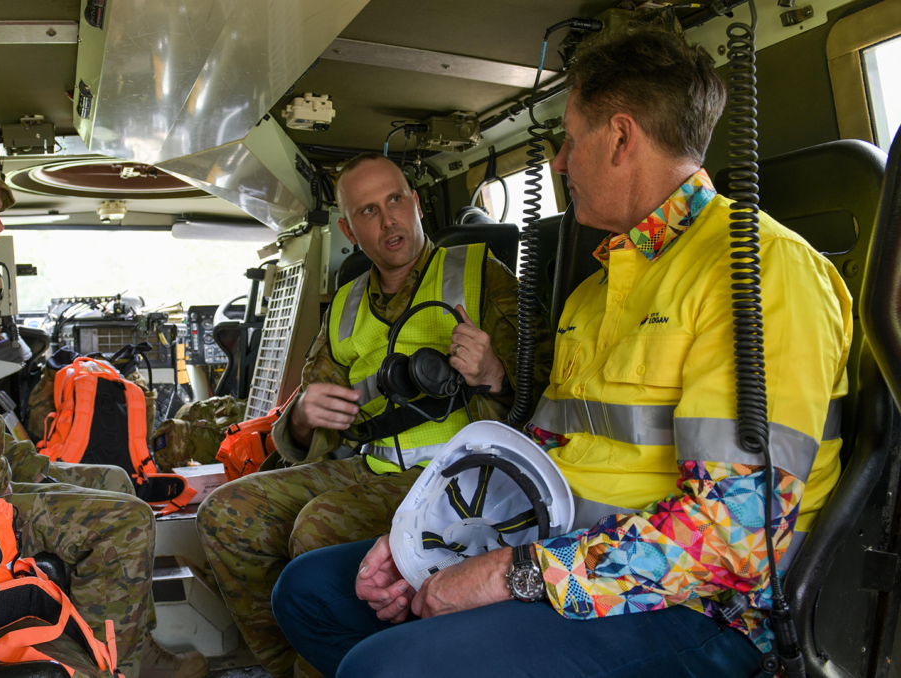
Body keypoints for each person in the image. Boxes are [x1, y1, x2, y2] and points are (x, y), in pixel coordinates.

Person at [270, 24, 852, 678]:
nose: (557, 163)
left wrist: (510, 575)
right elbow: (537, 462)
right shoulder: (593, 295)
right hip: (559, 552)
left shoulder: (759, 272)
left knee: (380, 669)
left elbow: (732, 542)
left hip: (696, 609)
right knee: (310, 593)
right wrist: (427, 544)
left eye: (570, 141)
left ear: (622, 137)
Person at [196, 152, 553, 677]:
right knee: (225, 514)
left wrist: (494, 374)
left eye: (395, 200)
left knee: (315, 529)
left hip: (459, 478)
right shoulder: (344, 304)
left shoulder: (483, 276)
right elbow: (305, 414)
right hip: (371, 465)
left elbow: (547, 397)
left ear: (415, 203)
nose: (388, 221)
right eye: (368, 211)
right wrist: (300, 418)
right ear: (348, 229)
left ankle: (368, 665)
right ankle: (295, 664)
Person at [0, 144, 207, 678]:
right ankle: (123, 664)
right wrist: (42, 482)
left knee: (111, 478)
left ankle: (105, 638)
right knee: (122, 519)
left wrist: (46, 472)